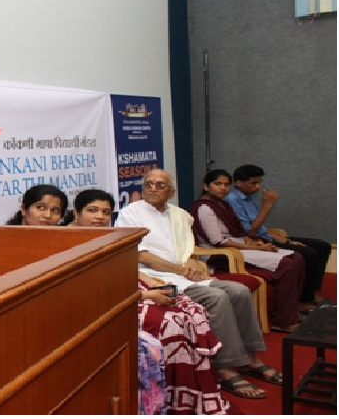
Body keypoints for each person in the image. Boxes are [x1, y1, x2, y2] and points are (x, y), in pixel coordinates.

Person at [116, 169, 280, 400]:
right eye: (149, 184)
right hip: (155, 278)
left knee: (240, 291)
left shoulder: (179, 214)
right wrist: (182, 269)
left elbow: (187, 249)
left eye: (160, 185)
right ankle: (225, 368)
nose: (153, 188)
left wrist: (192, 262)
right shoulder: (131, 213)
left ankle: (251, 359)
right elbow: (141, 256)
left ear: (171, 192)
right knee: (217, 297)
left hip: (185, 274)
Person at [69, 189, 233, 413]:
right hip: (105, 302)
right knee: (171, 324)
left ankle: (183, 393)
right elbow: (88, 290)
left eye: (105, 212)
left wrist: (150, 283)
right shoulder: (68, 242)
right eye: (92, 210)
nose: (100, 217)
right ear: (77, 213)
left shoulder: (107, 236)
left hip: (127, 289)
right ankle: (165, 398)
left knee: (190, 313)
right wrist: (145, 295)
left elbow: (126, 266)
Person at [191, 170, 306, 332]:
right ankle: (285, 321)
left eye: (226, 184)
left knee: (297, 257)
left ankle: (287, 311)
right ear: (206, 186)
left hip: (238, 247)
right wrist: (257, 248)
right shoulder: (204, 208)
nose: (223, 188)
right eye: (218, 184)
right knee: (286, 265)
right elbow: (219, 242)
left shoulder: (223, 204)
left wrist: (253, 242)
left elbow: (238, 233)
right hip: (221, 255)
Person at [224, 164, 330, 309]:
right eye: (253, 183)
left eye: (259, 182)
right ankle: (304, 300)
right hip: (256, 242)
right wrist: (267, 206)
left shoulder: (249, 197)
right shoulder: (232, 200)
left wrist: (288, 241)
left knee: (323, 246)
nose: (258, 187)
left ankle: (310, 292)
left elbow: (261, 228)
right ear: (239, 183)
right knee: (309, 254)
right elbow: (250, 232)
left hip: (266, 236)